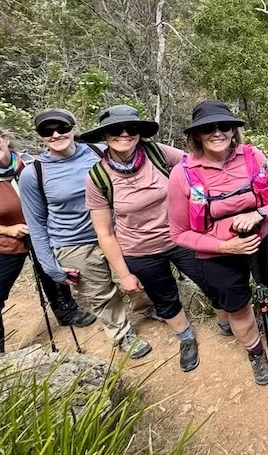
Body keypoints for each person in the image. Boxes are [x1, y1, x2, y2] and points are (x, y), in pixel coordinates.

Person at [0, 121, 95, 354]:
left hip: (44, 234)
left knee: (53, 274)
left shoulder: (35, 165)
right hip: (0, 244)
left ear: (4, 139)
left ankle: (66, 311)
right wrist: (5, 230)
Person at [18, 108, 151, 358]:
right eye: (47, 130)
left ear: (74, 128)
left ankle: (146, 307)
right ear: (40, 135)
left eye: (62, 127)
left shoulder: (99, 152)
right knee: (99, 293)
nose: (56, 134)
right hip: (72, 243)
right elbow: (35, 224)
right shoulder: (33, 174)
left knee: (136, 275)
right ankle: (122, 334)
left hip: (116, 232)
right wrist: (49, 266)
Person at [167, 100, 268, 386]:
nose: (217, 132)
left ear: (234, 131)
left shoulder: (254, 157)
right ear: (197, 135)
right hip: (216, 253)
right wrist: (225, 247)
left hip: (264, 238)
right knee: (239, 308)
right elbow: (179, 233)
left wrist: (258, 214)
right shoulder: (182, 174)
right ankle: (256, 353)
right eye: (208, 128)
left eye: (224, 126)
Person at [81, 105, 203, 373]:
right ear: (105, 135)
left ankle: (228, 320)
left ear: (139, 132)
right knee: (164, 297)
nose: (124, 134)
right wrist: (124, 274)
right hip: (139, 249)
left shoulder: (159, 153)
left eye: (131, 128)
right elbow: (105, 232)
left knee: (212, 279)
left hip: (181, 237)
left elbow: (197, 166)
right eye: (115, 130)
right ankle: (185, 338)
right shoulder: (98, 177)